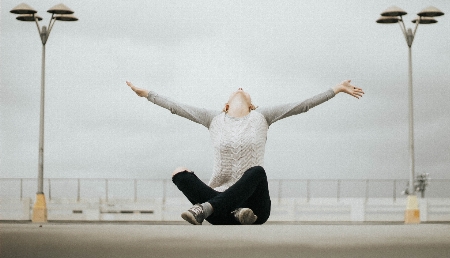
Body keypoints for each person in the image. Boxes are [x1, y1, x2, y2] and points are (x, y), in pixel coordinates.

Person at [126, 80, 364, 225]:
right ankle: (232, 213)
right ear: (226, 105)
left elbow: (302, 105)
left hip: (256, 207)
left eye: (245, 91)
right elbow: (177, 108)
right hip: (219, 194)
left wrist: (336, 89)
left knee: (256, 171)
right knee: (179, 172)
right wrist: (147, 94)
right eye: (235, 90)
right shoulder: (213, 119)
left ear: (252, 105)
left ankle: (209, 209)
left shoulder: (262, 117)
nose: (240, 88)